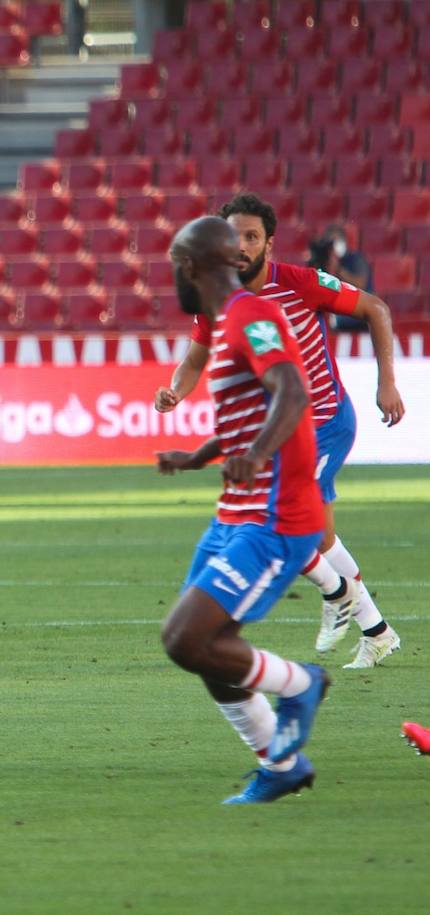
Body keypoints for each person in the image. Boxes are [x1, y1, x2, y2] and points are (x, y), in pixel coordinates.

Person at [154, 193, 405, 669]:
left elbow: (375, 308)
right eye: (234, 237)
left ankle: (338, 596)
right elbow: (193, 361)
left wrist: (387, 383)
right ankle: (376, 630)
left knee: (289, 519)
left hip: (324, 421)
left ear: (270, 243)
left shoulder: (301, 283)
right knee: (318, 534)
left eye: (252, 237)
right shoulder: (218, 300)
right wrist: (174, 391)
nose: (242, 246)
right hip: (281, 435)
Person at [154, 215, 329, 804]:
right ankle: (279, 765)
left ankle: (301, 683)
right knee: (204, 649)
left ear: (190, 266)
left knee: (187, 638)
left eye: (176, 264)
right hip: (234, 514)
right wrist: (198, 455)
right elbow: (248, 413)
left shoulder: (252, 316)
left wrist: (255, 455)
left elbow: (291, 389)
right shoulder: (227, 320)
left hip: (275, 518)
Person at [312, 224, 372, 332]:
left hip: (360, 314)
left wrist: (338, 269)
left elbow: (360, 284)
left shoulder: (355, 259)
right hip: (339, 312)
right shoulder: (323, 263)